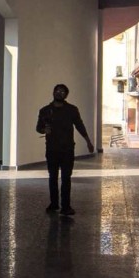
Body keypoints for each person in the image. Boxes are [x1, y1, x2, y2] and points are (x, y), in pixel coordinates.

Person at [36, 83, 94, 217]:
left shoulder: (72, 110)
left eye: (62, 92)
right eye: (57, 91)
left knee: (66, 178)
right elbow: (38, 127)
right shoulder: (45, 110)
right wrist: (44, 129)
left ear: (66, 95)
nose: (59, 93)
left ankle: (66, 206)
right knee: (53, 177)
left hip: (67, 149)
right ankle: (54, 203)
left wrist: (88, 142)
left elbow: (80, 126)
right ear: (53, 92)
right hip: (51, 149)